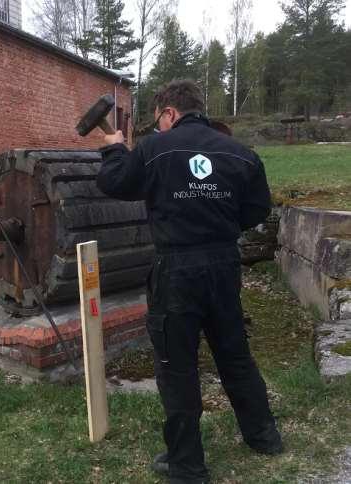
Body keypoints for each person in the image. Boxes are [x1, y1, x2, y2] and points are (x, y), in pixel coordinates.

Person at [96, 79, 283, 484]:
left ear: (169, 113)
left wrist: (113, 145)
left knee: (176, 366)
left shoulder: (152, 150)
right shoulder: (241, 154)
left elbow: (114, 182)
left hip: (177, 270)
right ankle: (264, 437)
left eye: (157, 119)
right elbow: (257, 208)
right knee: (234, 354)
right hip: (224, 266)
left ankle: (187, 465)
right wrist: (218, 226)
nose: (157, 127)